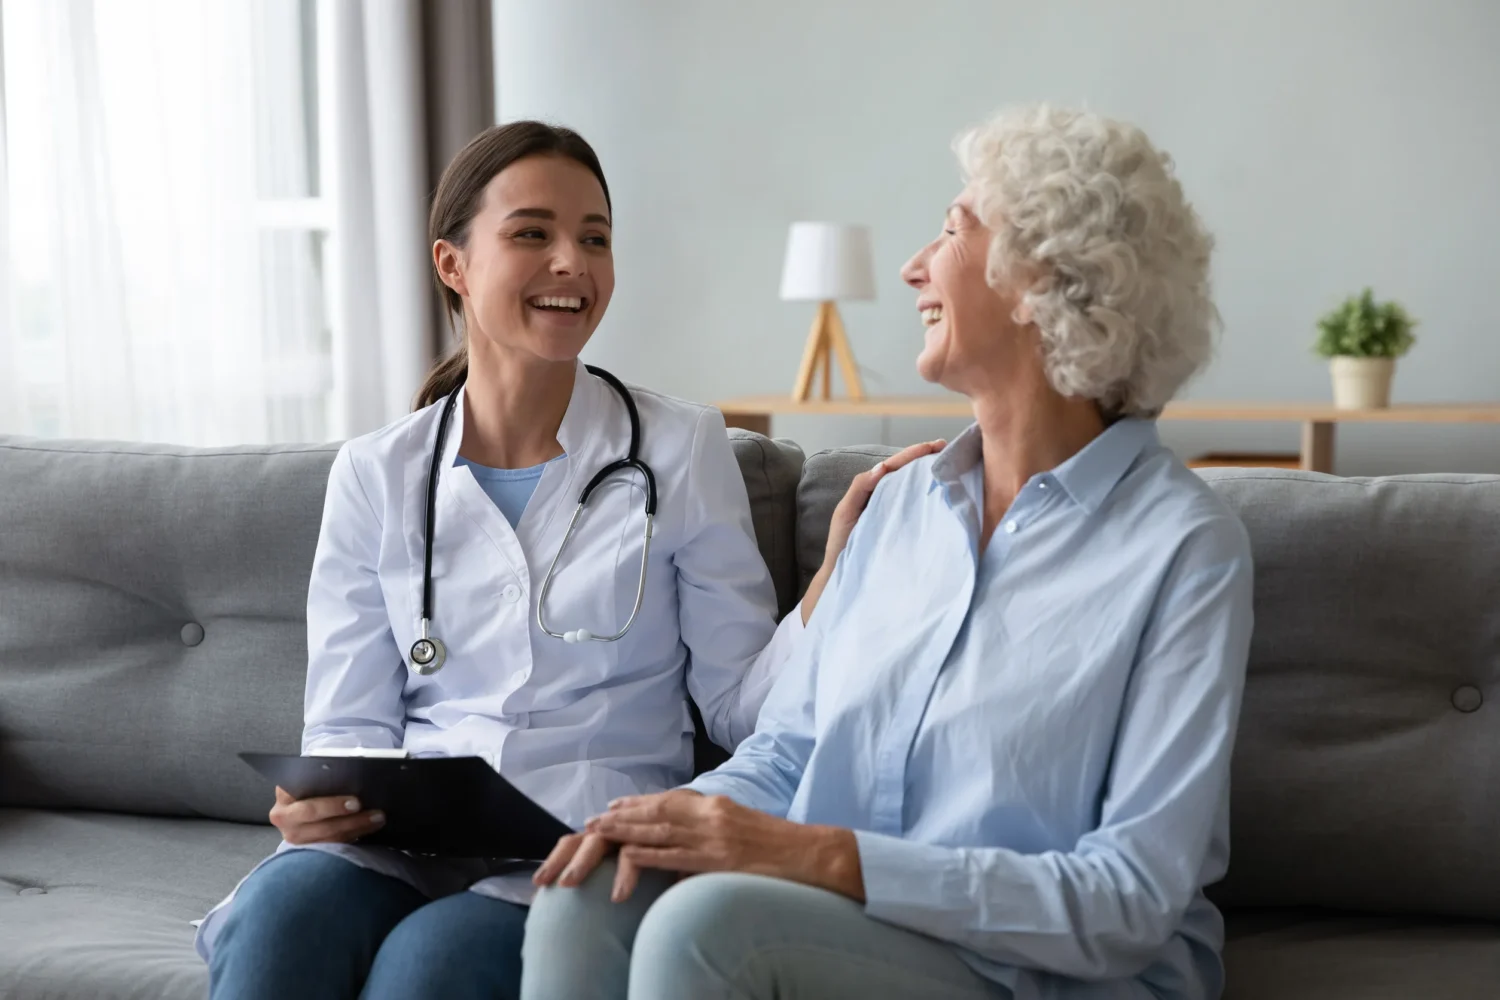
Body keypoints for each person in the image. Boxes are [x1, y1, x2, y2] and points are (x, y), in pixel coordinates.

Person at [522, 104, 1255, 1000]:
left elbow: (1128, 899)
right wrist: (679, 817)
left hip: (1050, 974)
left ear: (1043, 278)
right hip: (854, 934)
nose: (914, 268)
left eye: (951, 232)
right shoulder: (902, 506)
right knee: (583, 891)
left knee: (710, 930)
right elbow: (791, 748)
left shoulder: (1184, 549)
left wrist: (814, 855)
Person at [197, 121, 941, 1000]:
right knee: (284, 917)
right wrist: (317, 800)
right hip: (399, 841)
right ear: (453, 264)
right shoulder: (377, 473)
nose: (571, 262)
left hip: (575, 840)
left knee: (429, 964)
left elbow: (741, 709)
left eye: (595, 237)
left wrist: (828, 582)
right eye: (532, 233)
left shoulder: (677, 447)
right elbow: (346, 728)